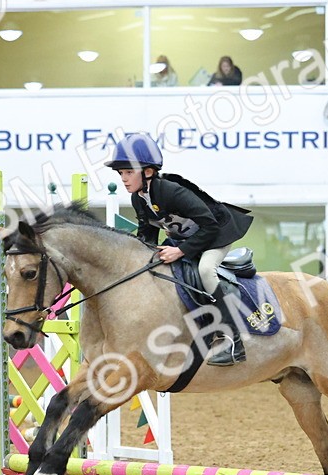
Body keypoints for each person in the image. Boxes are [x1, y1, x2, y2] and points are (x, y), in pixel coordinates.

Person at [106, 132, 254, 366]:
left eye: (128, 172)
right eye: (120, 173)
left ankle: (232, 341)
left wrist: (180, 251)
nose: (123, 178)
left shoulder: (171, 191)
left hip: (216, 234)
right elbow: (146, 233)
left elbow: (210, 226)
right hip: (188, 239)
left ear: (148, 172)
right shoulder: (138, 198)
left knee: (206, 270)